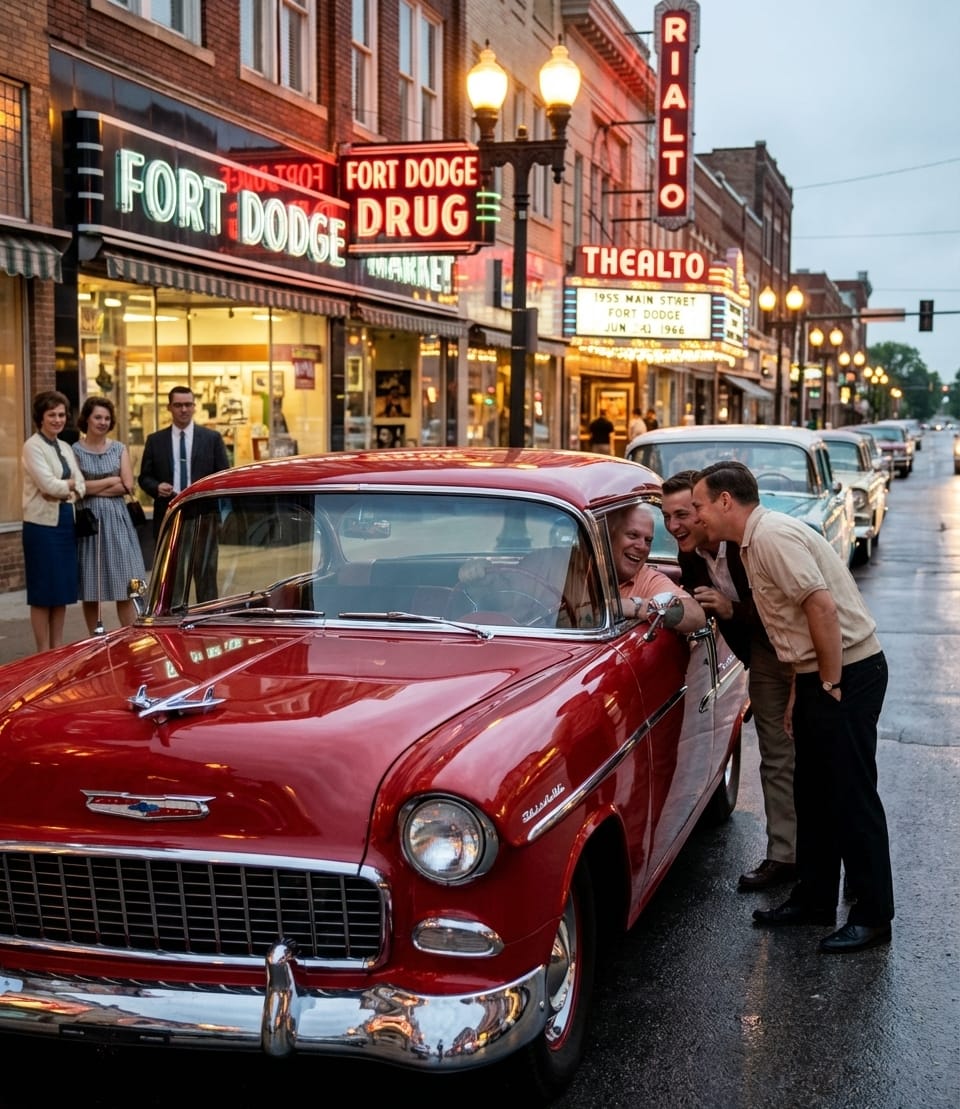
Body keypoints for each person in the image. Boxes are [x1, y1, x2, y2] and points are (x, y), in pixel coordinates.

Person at [691, 460, 893, 954]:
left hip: (848, 672)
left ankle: (873, 915)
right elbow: (797, 627)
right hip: (818, 673)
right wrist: (805, 687)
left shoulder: (773, 538)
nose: (695, 516)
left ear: (725, 501)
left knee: (850, 796)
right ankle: (815, 899)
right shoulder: (752, 543)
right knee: (813, 794)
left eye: (698, 505)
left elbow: (820, 607)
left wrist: (826, 683)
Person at [661, 471, 796, 891]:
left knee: (820, 759)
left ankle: (833, 859)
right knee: (776, 757)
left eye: (686, 512)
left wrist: (731, 609)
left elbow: (791, 611)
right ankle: (785, 856)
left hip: (800, 651)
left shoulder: (750, 545)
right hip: (762, 657)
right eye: (666, 516)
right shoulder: (689, 555)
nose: (674, 525)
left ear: (712, 510)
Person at [139, 386, 230, 602]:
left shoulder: (211, 438)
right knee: (173, 576)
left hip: (204, 515)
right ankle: (175, 622)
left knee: (206, 573)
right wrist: (156, 487)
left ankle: (206, 620)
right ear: (169, 407)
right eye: (178, 405)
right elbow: (144, 477)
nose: (183, 410)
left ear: (194, 407)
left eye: (188, 405)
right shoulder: (155, 440)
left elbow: (223, 475)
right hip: (170, 516)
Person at [74, 396, 146, 635]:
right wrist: (109, 480)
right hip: (90, 524)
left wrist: (91, 485)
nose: (102, 422)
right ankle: (95, 640)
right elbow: (77, 487)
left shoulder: (119, 448)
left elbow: (127, 485)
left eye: (106, 418)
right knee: (91, 586)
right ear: (87, 419)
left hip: (118, 521)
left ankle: (131, 637)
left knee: (127, 584)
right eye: (97, 417)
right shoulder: (75, 450)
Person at [21, 390, 86, 652]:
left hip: (64, 521)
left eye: (61, 415)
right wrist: (68, 486)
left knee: (61, 590)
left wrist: (68, 486)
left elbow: (80, 485)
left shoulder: (65, 447)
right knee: (42, 592)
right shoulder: (32, 446)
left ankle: (57, 648)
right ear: (40, 417)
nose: (58, 420)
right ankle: (42, 651)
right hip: (40, 525)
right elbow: (47, 484)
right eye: (52, 415)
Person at [609, 503, 705, 633]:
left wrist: (635, 607)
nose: (642, 546)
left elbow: (696, 615)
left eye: (648, 540)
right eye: (633, 535)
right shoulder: (577, 569)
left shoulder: (648, 579)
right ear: (609, 536)